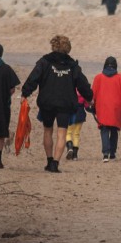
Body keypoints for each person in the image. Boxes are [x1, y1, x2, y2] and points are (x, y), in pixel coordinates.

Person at [21, 35, 93, 173]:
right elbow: (83, 84)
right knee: (62, 132)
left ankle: (49, 161)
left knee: (48, 130)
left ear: (54, 45)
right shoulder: (72, 65)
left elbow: (33, 78)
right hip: (65, 103)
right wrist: (89, 98)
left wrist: (25, 93)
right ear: (67, 48)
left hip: (47, 101)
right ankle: (55, 163)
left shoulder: (44, 61)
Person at [92, 56, 121, 162]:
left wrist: (92, 106)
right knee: (114, 130)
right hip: (116, 108)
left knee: (104, 130)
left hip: (102, 107)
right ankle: (112, 154)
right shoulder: (120, 78)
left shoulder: (98, 77)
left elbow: (93, 95)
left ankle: (105, 154)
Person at [65, 90, 90, 161]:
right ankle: (75, 155)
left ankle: (69, 147)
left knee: (68, 132)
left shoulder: (70, 91)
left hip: (71, 113)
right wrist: (94, 111)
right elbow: (87, 107)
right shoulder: (83, 93)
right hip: (80, 115)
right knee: (76, 134)